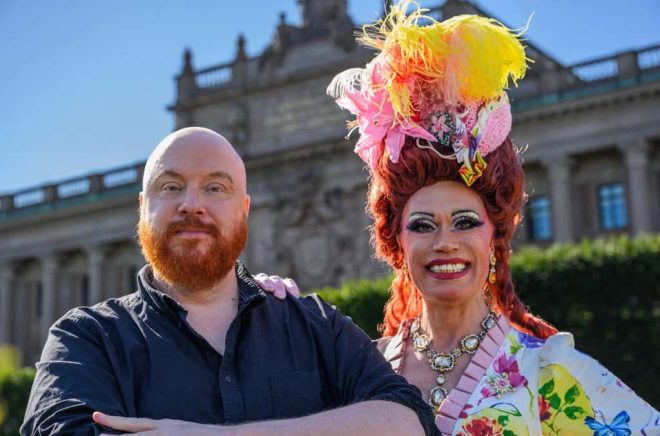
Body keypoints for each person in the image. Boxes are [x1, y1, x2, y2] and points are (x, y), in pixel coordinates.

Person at [256, 2, 660, 434]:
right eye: (422, 225)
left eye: (466, 222)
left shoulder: (554, 373)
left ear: (495, 235)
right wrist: (250, 310)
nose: (444, 241)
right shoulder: (355, 372)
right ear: (397, 243)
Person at [21, 127, 438, 435]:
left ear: (244, 210)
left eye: (215, 187)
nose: (191, 204)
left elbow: (409, 421)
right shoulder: (87, 338)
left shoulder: (316, 325)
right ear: (143, 207)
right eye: (171, 186)